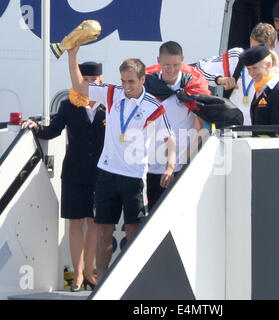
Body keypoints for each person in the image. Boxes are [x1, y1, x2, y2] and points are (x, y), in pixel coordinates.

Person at [67, 44, 176, 282]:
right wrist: (73, 56)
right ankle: (102, 283)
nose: (126, 87)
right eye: (124, 81)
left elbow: (170, 139)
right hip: (107, 172)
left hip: (135, 177)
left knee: (133, 231)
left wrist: (169, 167)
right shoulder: (112, 93)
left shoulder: (153, 106)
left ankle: (130, 282)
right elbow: (79, 87)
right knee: (103, 230)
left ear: (142, 79)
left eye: (131, 82)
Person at [21, 61, 105, 291]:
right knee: (75, 222)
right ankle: (77, 274)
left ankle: (90, 271)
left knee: (95, 223)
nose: (89, 84)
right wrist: (35, 126)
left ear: (101, 79)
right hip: (75, 171)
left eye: (93, 80)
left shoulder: (109, 105)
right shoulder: (69, 105)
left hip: (102, 172)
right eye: (84, 80)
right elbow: (52, 130)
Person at [196, 23, 279, 135]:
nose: (255, 56)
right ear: (250, 41)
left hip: (257, 141)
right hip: (231, 135)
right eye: (253, 48)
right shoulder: (237, 57)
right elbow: (199, 69)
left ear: (273, 46)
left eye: (261, 51)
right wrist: (219, 80)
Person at [144, 41, 211, 212]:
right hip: (151, 164)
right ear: (158, 61)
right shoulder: (148, 86)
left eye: (175, 64)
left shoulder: (192, 87)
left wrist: (185, 158)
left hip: (180, 165)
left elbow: (200, 123)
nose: (171, 70)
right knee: (152, 216)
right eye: (166, 65)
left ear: (183, 61)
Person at [239, 45, 279, 135]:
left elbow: (278, 132)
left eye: (254, 68)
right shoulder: (260, 87)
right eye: (248, 69)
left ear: (268, 65)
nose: (251, 73)